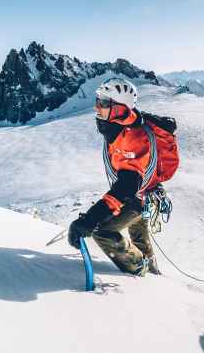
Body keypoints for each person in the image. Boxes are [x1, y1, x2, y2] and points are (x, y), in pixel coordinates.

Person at [67, 78, 161, 276]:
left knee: (103, 231)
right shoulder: (117, 129)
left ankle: (142, 272)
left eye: (103, 102)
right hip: (142, 199)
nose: (97, 106)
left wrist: (92, 219)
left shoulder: (134, 137)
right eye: (98, 100)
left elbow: (128, 185)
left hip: (135, 200)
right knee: (140, 240)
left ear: (119, 109)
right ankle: (153, 271)